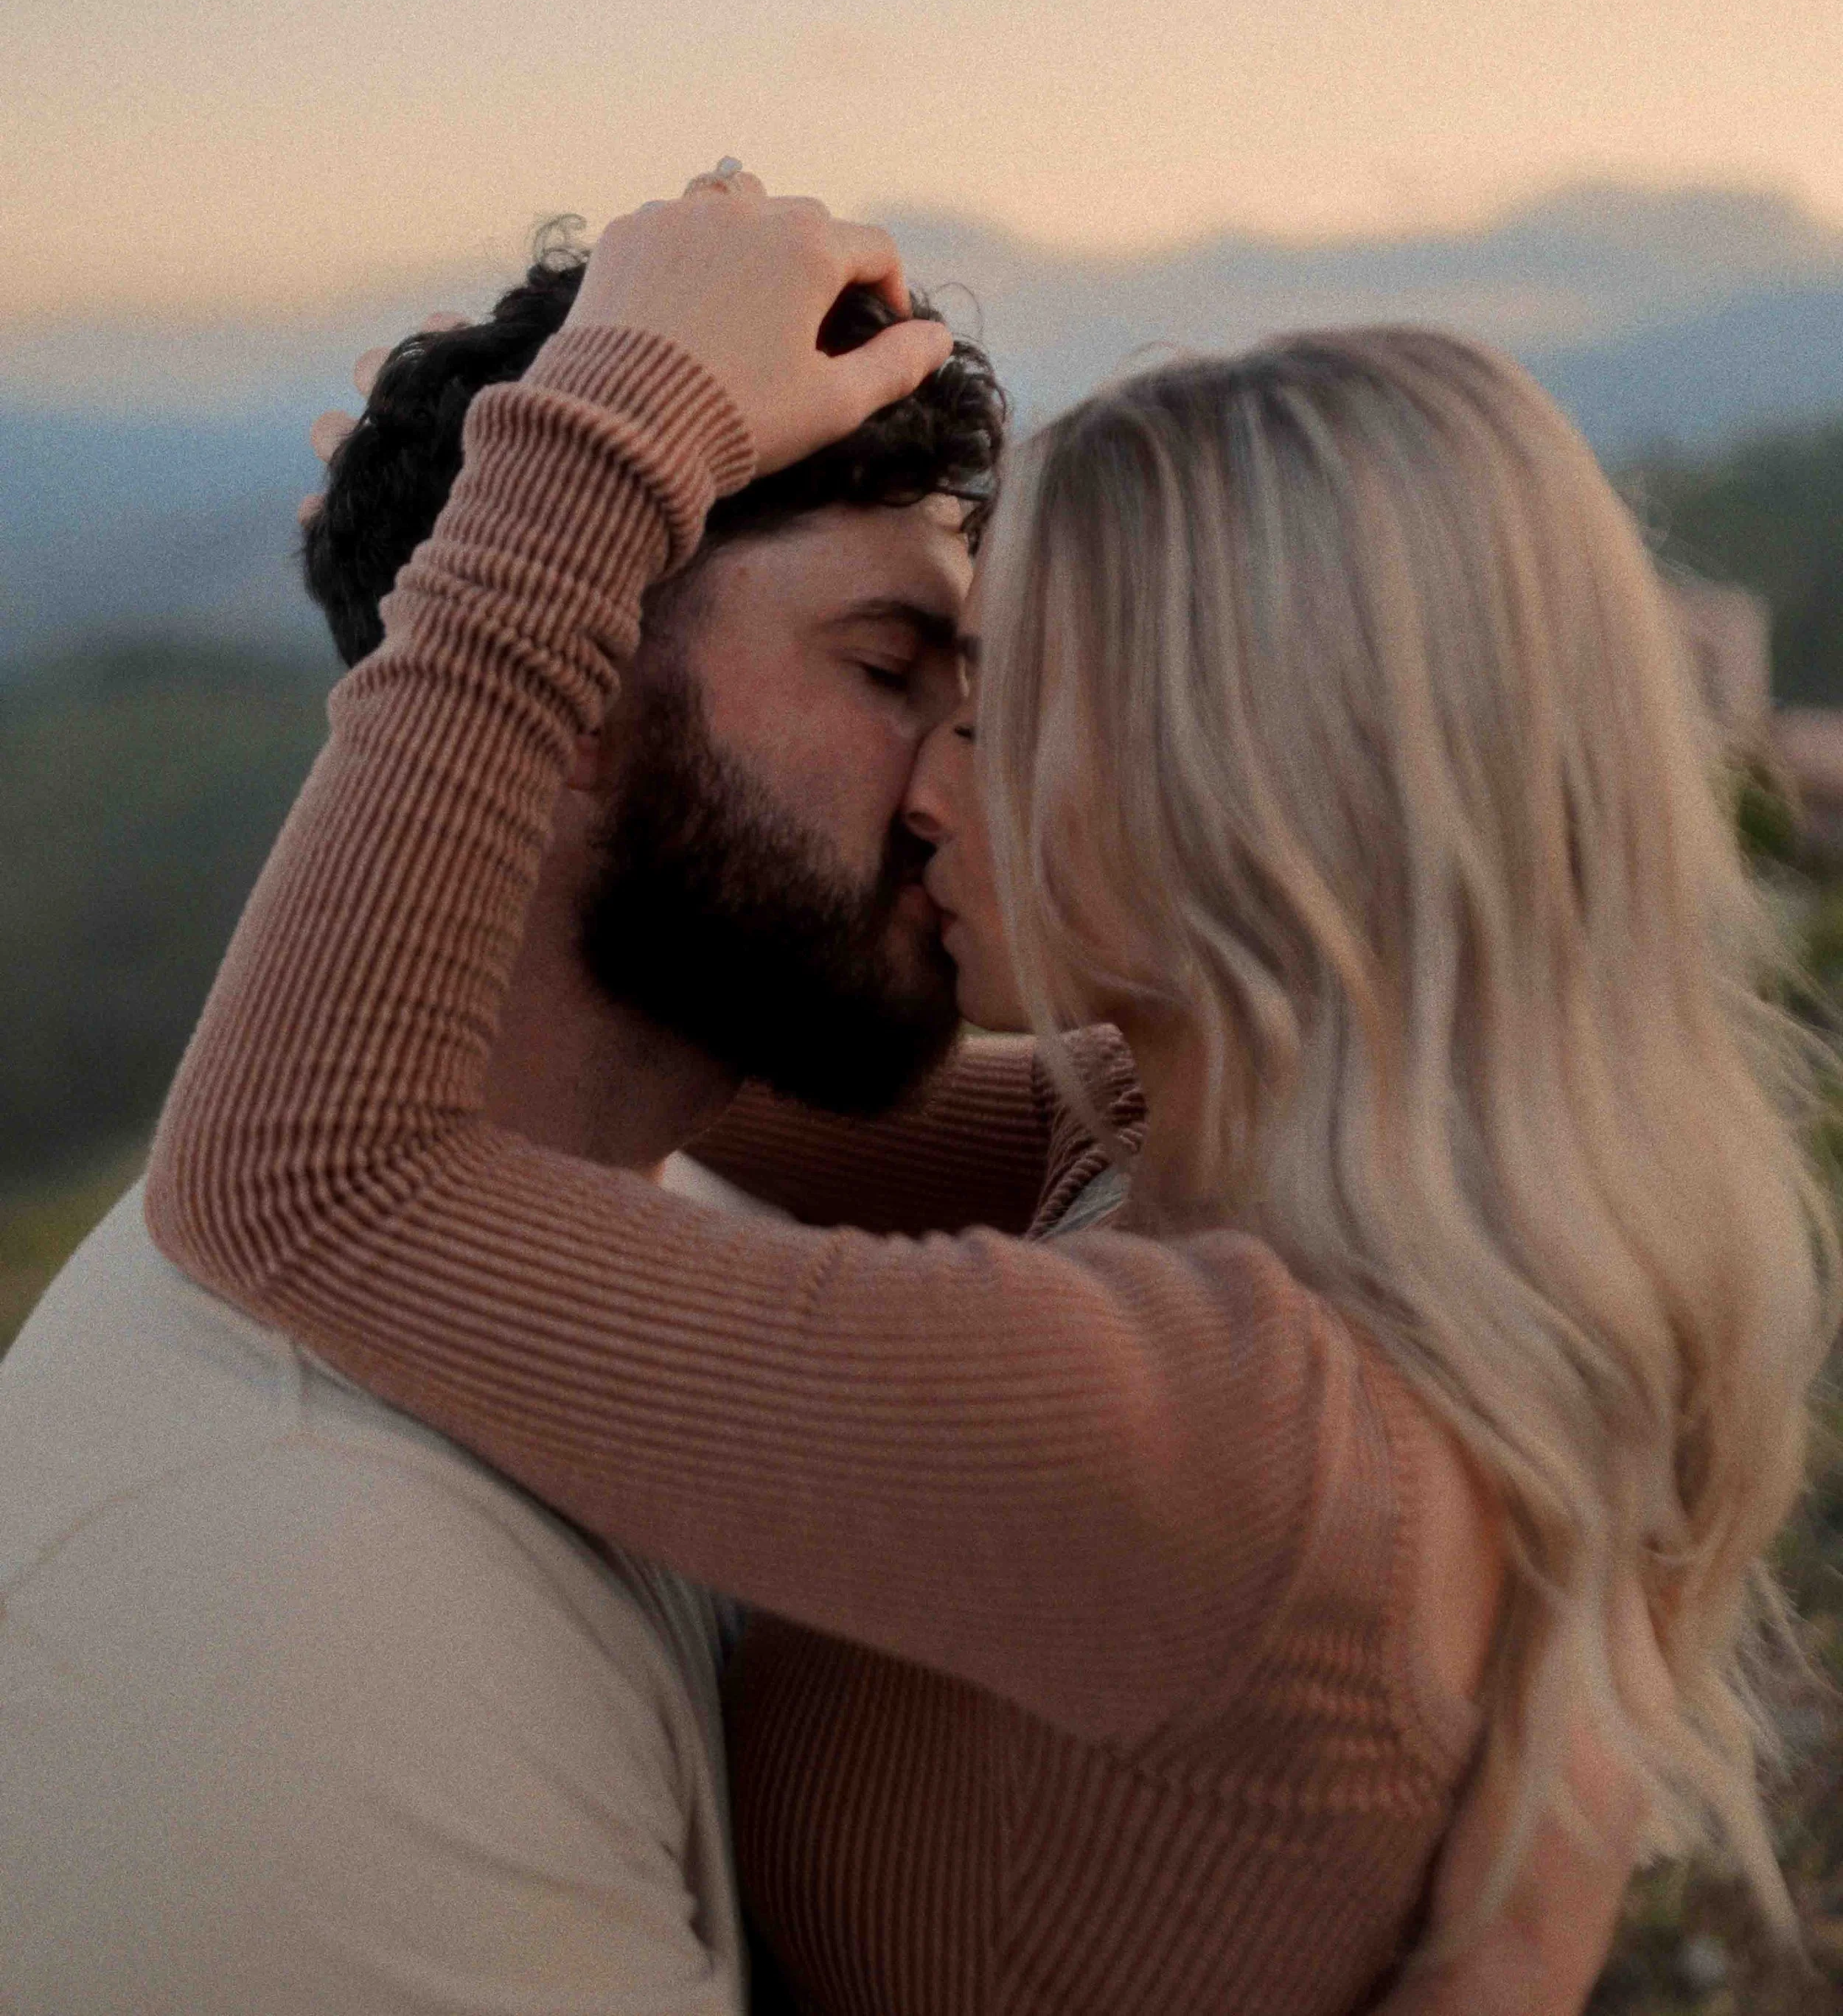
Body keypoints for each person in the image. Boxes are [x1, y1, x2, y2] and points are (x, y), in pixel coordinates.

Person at [142, 174, 1833, 2012]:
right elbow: (645, 1020)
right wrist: (456, 578)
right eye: (901, 679)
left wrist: (592, 452)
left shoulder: (1213, 1430)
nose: (932, 784)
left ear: (1240, 779)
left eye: (997, 695)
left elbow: (306, 1170)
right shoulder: (1214, 1160)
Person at [0, 233, 1004, 2016]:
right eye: (885, 668)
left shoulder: (670, 1202)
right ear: (567, 677)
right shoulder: (302, 1598)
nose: (958, 786)